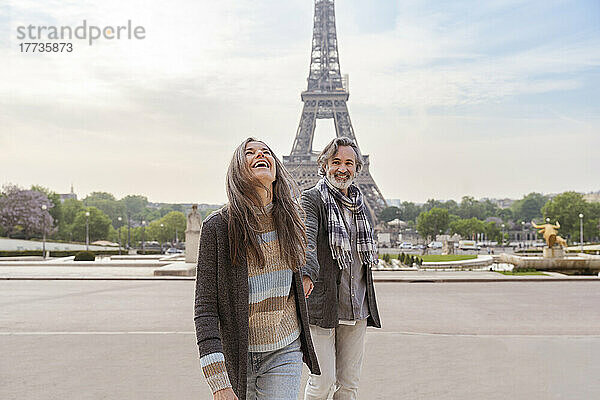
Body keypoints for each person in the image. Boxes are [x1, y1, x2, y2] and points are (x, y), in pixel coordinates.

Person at [194, 138, 320, 400]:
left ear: (275, 168)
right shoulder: (217, 227)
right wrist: (218, 382)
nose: (260, 155)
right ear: (238, 171)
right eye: (249, 153)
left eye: (265, 152)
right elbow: (205, 308)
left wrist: (307, 272)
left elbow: (309, 250)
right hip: (239, 352)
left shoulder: (292, 219)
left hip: (285, 347)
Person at [301, 137, 382, 400]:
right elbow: (307, 241)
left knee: (348, 387)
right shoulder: (311, 199)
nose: (342, 168)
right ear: (324, 165)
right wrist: (306, 272)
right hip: (323, 306)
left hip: (356, 306)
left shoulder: (361, 206)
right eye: (336, 162)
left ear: (358, 168)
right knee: (322, 385)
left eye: (349, 163)